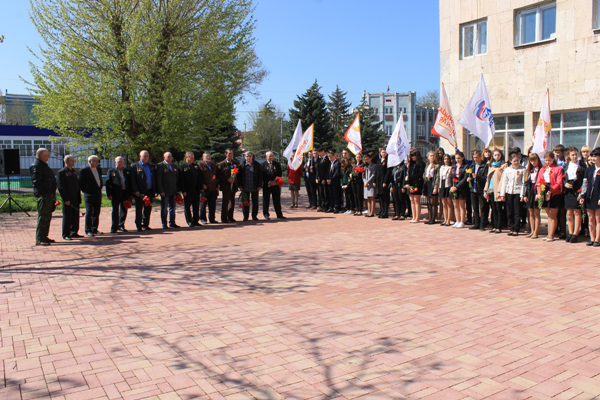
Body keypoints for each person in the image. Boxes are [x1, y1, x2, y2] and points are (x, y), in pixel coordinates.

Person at [30, 148, 57, 246]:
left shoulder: (43, 165)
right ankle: (40, 238)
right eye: (47, 154)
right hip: (44, 195)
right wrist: (44, 194)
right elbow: (36, 181)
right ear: (41, 155)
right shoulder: (37, 166)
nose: (49, 156)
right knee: (43, 217)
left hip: (49, 195)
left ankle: (44, 236)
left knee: (47, 217)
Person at [537, 151, 564, 242]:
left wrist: (551, 191)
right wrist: (539, 192)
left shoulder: (558, 168)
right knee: (549, 215)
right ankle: (549, 234)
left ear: (553, 159)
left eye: (550, 160)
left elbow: (559, 182)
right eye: (546, 160)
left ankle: (551, 235)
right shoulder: (543, 169)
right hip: (544, 189)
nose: (548, 162)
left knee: (553, 215)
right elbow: (538, 182)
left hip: (554, 191)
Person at [563, 147, 586, 243]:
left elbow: (584, 179)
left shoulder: (582, 165)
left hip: (577, 189)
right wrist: (565, 183)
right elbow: (563, 177)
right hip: (568, 191)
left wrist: (581, 192)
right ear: (569, 155)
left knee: (577, 212)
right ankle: (570, 232)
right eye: (572, 155)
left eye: (576, 154)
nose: (575, 156)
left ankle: (575, 233)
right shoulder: (566, 165)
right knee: (569, 212)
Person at [499, 153, 526, 236]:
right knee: (509, 211)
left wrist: (522, 194)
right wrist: (502, 194)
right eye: (514, 161)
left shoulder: (522, 169)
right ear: (511, 161)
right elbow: (504, 182)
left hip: (517, 192)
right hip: (509, 192)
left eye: (517, 160)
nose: (516, 162)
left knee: (517, 212)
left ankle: (516, 229)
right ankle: (511, 228)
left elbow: (523, 183)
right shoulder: (507, 170)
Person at [57, 154, 81, 240]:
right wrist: (65, 199)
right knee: (67, 217)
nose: (73, 162)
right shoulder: (62, 172)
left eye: (73, 161)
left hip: (75, 197)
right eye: (71, 161)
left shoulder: (73, 171)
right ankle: (66, 234)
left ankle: (74, 232)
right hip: (68, 198)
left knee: (75, 216)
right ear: (66, 161)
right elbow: (61, 187)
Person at [130, 150, 156, 231]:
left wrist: (155, 190)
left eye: (147, 156)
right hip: (140, 192)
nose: (146, 157)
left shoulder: (151, 166)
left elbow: (154, 178)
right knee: (139, 209)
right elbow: (132, 180)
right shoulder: (135, 166)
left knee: (148, 208)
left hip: (149, 191)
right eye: (144, 156)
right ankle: (138, 225)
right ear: (140, 156)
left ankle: (146, 224)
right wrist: (135, 190)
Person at [579, 147, 600, 246]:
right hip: (589, 197)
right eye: (592, 156)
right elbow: (585, 183)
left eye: (596, 156)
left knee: (598, 218)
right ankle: (592, 238)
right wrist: (583, 195)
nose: (593, 158)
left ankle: (597, 239)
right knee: (590, 218)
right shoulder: (589, 170)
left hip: (598, 197)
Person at [105, 156, 132, 233]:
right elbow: (108, 183)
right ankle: (114, 227)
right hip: (115, 194)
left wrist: (130, 194)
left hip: (125, 193)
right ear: (115, 162)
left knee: (124, 210)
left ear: (123, 162)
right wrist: (109, 194)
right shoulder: (111, 171)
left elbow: (130, 183)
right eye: (118, 161)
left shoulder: (127, 171)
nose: (120, 163)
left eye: (121, 161)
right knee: (115, 211)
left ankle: (121, 225)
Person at [79, 155, 104, 236]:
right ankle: (88, 229)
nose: (97, 162)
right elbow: (80, 183)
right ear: (90, 162)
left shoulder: (99, 169)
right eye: (95, 161)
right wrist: (86, 191)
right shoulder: (84, 170)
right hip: (89, 194)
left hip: (98, 193)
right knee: (89, 212)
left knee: (97, 212)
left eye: (97, 161)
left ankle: (95, 229)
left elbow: (100, 179)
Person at [178, 152, 203, 227]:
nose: (192, 159)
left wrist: (201, 188)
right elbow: (181, 180)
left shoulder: (195, 166)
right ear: (186, 157)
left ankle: (195, 220)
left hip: (196, 189)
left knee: (196, 206)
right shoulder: (182, 167)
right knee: (187, 206)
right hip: (187, 190)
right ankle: (189, 221)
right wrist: (183, 190)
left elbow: (199, 177)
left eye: (193, 157)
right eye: (191, 157)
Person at [156, 152, 179, 229]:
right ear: (164, 157)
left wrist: (177, 190)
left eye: (171, 156)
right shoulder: (160, 166)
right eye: (168, 156)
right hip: (165, 191)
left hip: (173, 190)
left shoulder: (174, 166)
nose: (169, 158)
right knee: (164, 208)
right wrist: (161, 190)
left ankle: (172, 222)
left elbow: (176, 178)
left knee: (173, 207)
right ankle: (164, 224)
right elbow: (158, 179)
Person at [484, 149, 506, 234]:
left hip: (498, 190)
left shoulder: (503, 165)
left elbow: (503, 179)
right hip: (491, 189)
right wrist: (485, 190)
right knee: (493, 209)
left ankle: (499, 227)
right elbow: (488, 179)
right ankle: (494, 225)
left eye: (498, 155)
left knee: (499, 208)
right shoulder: (491, 165)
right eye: (495, 155)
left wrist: (500, 191)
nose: (497, 156)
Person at [217, 149, 240, 223]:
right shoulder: (221, 164)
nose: (231, 155)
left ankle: (230, 217)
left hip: (233, 186)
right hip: (226, 186)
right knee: (226, 202)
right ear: (225, 154)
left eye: (232, 153)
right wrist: (227, 179)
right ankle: (224, 218)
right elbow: (219, 175)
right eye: (229, 153)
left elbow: (237, 174)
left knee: (232, 202)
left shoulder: (235, 163)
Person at [522, 153, 542, 239]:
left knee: (536, 213)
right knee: (530, 212)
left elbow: (542, 182)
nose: (533, 162)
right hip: (530, 191)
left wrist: (539, 193)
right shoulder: (529, 170)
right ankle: (532, 230)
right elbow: (526, 183)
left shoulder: (541, 169)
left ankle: (536, 232)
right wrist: (525, 194)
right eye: (531, 161)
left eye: (535, 160)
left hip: (537, 190)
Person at [238, 151, 262, 221]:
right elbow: (239, 177)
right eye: (247, 156)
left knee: (255, 202)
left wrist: (260, 185)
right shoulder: (242, 165)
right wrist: (240, 185)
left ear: (252, 156)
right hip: (245, 187)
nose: (249, 158)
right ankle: (245, 216)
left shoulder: (257, 164)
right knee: (245, 202)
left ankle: (254, 216)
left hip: (254, 186)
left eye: (250, 156)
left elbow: (260, 176)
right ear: (245, 157)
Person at [262, 151, 285, 219]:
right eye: (269, 156)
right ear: (266, 157)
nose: (271, 157)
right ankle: (266, 214)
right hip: (267, 185)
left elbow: (279, 173)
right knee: (266, 200)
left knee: (277, 200)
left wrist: (276, 181)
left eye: (272, 156)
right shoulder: (263, 165)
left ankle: (279, 214)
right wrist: (268, 182)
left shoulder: (276, 164)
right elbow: (262, 175)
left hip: (275, 185)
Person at [449, 151, 469, 228]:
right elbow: (450, 177)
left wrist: (457, 187)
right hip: (454, 187)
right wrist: (451, 186)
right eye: (456, 158)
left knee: (461, 205)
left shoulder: (466, 166)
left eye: (459, 158)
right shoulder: (453, 167)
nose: (457, 160)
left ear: (463, 158)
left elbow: (464, 178)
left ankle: (462, 221)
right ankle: (457, 221)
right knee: (455, 205)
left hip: (461, 188)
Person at [469, 151, 488, 231]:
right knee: (475, 207)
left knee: (482, 207)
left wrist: (478, 177)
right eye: (474, 157)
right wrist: (469, 178)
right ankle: (476, 223)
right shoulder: (472, 166)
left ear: (480, 157)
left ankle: (482, 224)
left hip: (481, 189)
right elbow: (469, 174)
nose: (475, 159)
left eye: (477, 157)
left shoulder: (485, 166)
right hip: (473, 189)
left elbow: (486, 178)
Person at [198, 152, 219, 224]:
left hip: (213, 188)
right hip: (204, 189)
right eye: (206, 156)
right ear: (202, 157)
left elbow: (216, 177)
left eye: (209, 156)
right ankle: (203, 219)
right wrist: (202, 185)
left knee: (212, 205)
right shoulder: (200, 165)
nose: (208, 157)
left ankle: (212, 219)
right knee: (203, 205)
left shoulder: (213, 165)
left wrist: (216, 187)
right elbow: (198, 178)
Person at [406, 149, 425, 223]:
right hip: (410, 184)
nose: (413, 157)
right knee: (412, 200)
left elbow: (419, 174)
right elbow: (408, 174)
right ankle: (413, 216)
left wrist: (410, 178)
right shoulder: (410, 163)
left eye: (414, 156)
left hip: (417, 183)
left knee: (417, 200)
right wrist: (407, 182)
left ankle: (417, 217)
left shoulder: (421, 164)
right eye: (412, 156)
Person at [423, 151, 440, 224]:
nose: (432, 157)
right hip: (427, 183)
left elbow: (437, 177)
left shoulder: (437, 166)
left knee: (434, 203)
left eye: (433, 156)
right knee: (429, 202)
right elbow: (425, 176)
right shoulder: (427, 165)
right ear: (428, 157)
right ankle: (430, 218)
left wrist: (436, 187)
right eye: (431, 156)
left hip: (433, 184)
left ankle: (433, 219)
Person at [374, 147, 392, 218]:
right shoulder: (379, 161)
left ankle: (385, 212)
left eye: (385, 152)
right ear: (380, 153)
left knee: (385, 197)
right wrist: (375, 181)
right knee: (380, 197)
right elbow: (376, 171)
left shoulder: (388, 161)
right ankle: (381, 210)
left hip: (384, 181)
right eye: (382, 152)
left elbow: (388, 172)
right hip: (378, 181)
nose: (383, 153)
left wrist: (385, 182)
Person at [438, 154, 455, 226]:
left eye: (448, 159)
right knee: (444, 203)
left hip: (448, 185)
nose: (446, 160)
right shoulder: (441, 167)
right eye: (445, 159)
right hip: (442, 185)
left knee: (449, 204)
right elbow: (439, 177)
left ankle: (449, 219)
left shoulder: (451, 168)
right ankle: (445, 219)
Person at [363, 152, 376, 217]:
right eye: (365, 159)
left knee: (372, 198)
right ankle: (369, 211)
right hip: (366, 184)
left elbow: (373, 175)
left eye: (368, 159)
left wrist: (368, 182)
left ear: (371, 158)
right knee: (368, 198)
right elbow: (363, 176)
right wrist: (365, 182)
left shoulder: (374, 166)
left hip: (371, 184)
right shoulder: (366, 167)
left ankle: (372, 212)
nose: (367, 160)